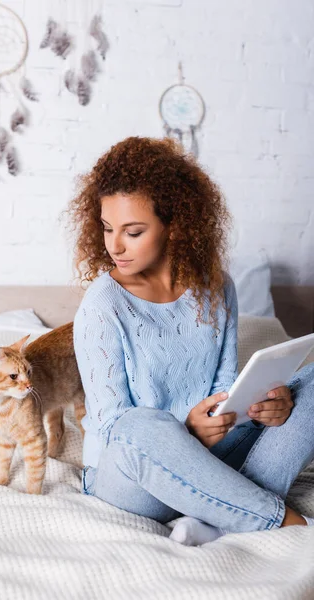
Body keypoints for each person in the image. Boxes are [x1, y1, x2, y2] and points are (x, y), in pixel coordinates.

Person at [68, 136, 314, 546]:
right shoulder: (102, 304)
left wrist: (266, 404)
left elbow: (225, 388)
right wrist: (186, 432)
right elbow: (115, 427)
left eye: (133, 231)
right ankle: (283, 521)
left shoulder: (217, 289)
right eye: (108, 228)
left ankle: (215, 519)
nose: (114, 245)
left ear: (174, 225)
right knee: (140, 425)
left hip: (211, 459)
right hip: (131, 478)